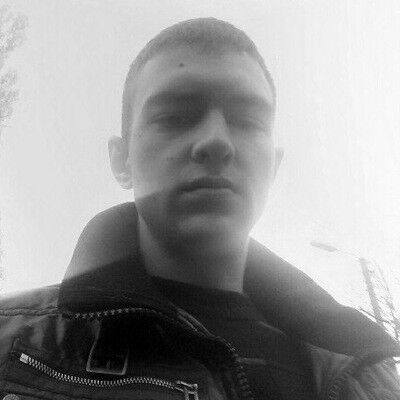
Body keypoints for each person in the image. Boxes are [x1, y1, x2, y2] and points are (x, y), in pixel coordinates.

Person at [0, 17, 399, 400]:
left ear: (273, 166)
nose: (216, 141)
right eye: (174, 117)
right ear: (122, 161)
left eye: (247, 120)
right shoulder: (13, 345)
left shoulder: (369, 374)